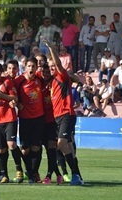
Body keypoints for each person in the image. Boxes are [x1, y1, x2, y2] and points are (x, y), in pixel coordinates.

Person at [42, 37, 83, 185]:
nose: (52, 68)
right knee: (69, 147)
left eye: (53, 66)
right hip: (57, 118)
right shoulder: (52, 82)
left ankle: (75, 175)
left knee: (61, 143)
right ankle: (77, 176)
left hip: (67, 114)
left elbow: (59, 65)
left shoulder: (62, 75)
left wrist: (51, 48)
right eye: (50, 66)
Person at [13, 57, 44, 183]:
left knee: (36, 147)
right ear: (25, 67)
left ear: (36, 68)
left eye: (33, 66)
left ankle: (34, 173)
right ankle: (29, 172)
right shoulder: (19, 81)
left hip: (39, 117)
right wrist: (17, 103)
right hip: (25, 118)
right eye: (29, 66)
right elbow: (12, 94)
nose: (31, 68)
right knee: (25, 149)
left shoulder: (40, 79)